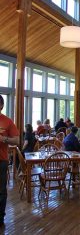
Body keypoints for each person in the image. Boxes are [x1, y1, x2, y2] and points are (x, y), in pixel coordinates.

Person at [0, 94, 19, 227]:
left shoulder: (7, 121)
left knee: (1, 190)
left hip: (1, 160)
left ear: (1, 106)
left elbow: (17, 140)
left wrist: (4, 139)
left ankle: (0, 217)